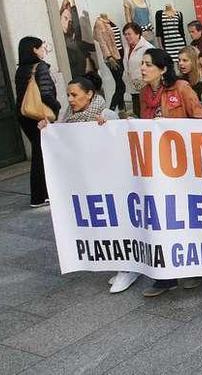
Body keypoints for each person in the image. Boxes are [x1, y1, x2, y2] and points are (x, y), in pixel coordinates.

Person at [37, 74, 134, 292]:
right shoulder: (68, 117)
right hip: (87, 181)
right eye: (68, 95)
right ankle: (122, 265)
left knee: (117, 222)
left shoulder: (105, 113)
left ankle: (127, 267)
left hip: (110, 180)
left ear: (89, 95)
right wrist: (48, 129)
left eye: (74, 95)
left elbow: (122, 143)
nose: (70, 99)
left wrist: (108, 125)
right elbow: (63, 142)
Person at [135, 48, 202, 297]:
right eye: (142, 64)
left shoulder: (181, 88)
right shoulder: (144, 93)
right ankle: (166, 277)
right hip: (156, 166)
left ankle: (196, 267)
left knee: (187, 215)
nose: (143, 68)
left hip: (183, 165)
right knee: (162, 217)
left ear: (163, 69)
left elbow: (200, 119)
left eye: (148, 64)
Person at [15, 36, 61, 208]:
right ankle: (41, 195)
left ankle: (40, 194)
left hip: (25, 115)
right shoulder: (40, 67)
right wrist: (56, 106)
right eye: (41, 47)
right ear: (34, 49)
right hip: (39, 116)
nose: (43, 50)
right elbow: (46, 93)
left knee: (38, 153)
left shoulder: (20, 70)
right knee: (42, 155)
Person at [121, 22, 154, 117]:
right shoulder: (128, 47)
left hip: (145, 86)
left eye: (129, 34)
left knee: (144, 110)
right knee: (136, 110)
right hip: (133, 86)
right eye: (125, 34)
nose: (127, 37)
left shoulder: (147, 48)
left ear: (137, 34)